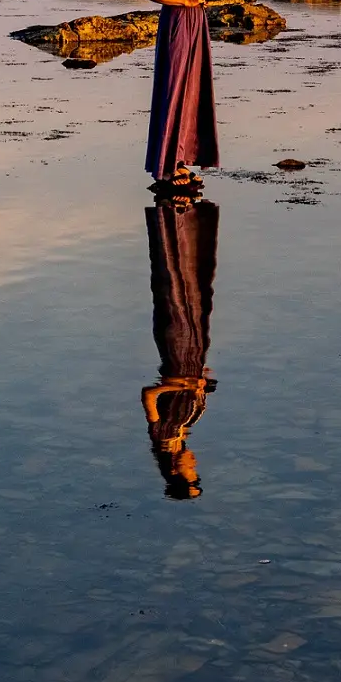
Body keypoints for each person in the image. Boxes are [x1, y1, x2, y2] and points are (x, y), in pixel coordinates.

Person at [140, 186, 218, 500]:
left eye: (192, 472)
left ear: (176, 470)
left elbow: (149, 394)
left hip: (176, 354)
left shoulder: (163, 437)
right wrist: (200, 383)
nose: (195, 464)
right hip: (194, 355)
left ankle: (171, 216)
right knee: (196, 297)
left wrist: (181, 385)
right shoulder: (182, 433)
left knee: (176, 296)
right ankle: (184, 215)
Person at [143, 0, 219, 184]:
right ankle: (168, 164)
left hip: (196, 23)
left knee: (193, 91)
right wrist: (185, 1)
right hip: (177, 23)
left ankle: (183, 157)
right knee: (173, 90)